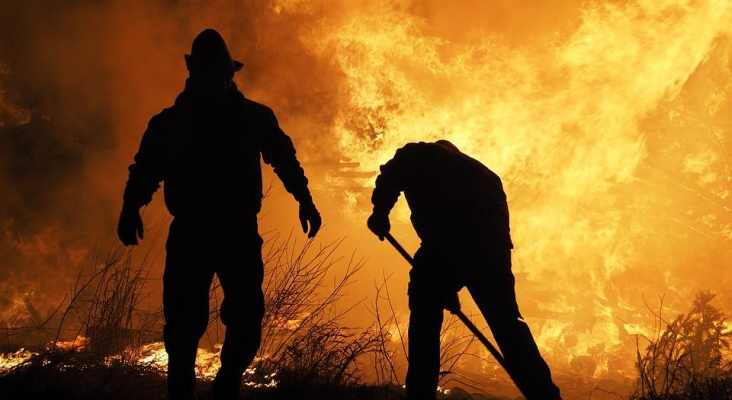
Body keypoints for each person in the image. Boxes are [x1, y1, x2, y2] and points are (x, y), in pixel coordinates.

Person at [117, 29, 321, 400]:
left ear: (228, 75)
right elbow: (146, 169)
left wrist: (304, 198)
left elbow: (284, 159)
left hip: (236, 232)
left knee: (245, 318)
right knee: (182, 325)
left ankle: (227, 384)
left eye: (219, 73)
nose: (215, 79)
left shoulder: (252, 117)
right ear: (196, 75)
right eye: (209, 73)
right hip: (194, 232)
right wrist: (131, 206)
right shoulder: (172, 122)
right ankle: (184, 393)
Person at [367, 140, 561, 400]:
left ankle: (420, 395)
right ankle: (546, 395)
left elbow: (391, 174)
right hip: (492, 249)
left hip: (450, 237)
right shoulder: (485, 174)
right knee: (508, 324)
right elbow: (488, 242)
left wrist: (380, 212)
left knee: (424, 307)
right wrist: (450, 282)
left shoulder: (418, 153)